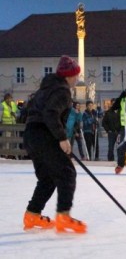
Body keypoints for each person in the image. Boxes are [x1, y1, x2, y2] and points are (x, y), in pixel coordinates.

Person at [22, 55, 86, 233]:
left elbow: (33, 111)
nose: (77, 79)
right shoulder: (62, 91)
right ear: (68, 76)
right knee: (67, 173)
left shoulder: (47, 88)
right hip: (45, 134)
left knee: (48, 178)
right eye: (76, 75)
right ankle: (64, 217)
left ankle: (32, 214)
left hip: (31, 135)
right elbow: (51, 114)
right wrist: (62, 138)